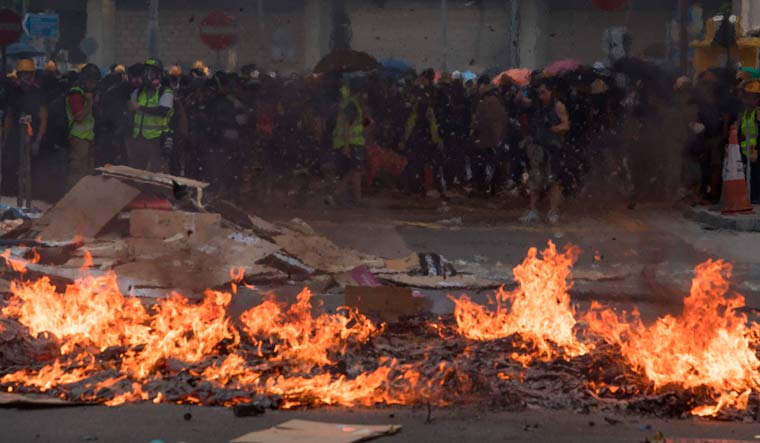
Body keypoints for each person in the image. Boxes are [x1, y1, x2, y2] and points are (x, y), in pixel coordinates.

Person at [521, 78, 570, 224]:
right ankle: (533, 211)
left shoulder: (558, 106)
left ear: (551, 91)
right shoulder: (537, 106)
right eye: (539, 93)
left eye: (544, 92)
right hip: (537, 149)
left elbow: (566, 125)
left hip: (553, 149)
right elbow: (524, 103)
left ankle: (553, 212)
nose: (541, 96)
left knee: (553, 180)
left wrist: (555, 128)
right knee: (535, 179)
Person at [2, 59, 47, 207]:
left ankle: (32, 198)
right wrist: (5, 140)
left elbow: (43, 118)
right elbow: (9, 116)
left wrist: (38, 140)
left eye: (27, 74)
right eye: (22, 74)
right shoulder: (14, 92)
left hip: (32, 134)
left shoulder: (38, 92)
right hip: (16, 135)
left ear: (32, 74)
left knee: (32, 168)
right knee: (10, 165)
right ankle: (11, 197)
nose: (25, 77)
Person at [127, 58, 173, 172]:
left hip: (156, 140)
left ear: (159, 75)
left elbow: (162, 111)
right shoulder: (138, 92)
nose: (148, 76)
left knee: (156, 173)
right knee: (136, 172)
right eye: (146, 72)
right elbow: (130, 109)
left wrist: (140, 108)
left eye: (151, 73)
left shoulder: (165, 92)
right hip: (138, 138)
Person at [64, 63, 100, 189]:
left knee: (88, 171)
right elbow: (79, 117)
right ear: (85, 80)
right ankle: (72, 197)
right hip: (78, 138)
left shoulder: (85, 92)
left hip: (88, 137)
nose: (93, 85)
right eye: (91, 82)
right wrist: (89, 102)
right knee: (77, 170)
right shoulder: (76, 93)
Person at [331, 80, 367, 203]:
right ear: (359, 92)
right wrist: (346, 146)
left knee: (352, 171)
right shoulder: (353, 104)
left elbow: (358, 124)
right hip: (351, 143)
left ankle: (337, 196)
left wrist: (367, 123)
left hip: (347, 142)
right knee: (355, 171)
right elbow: (347, 125)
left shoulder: (350, 103)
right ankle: (355, 199)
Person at [738, 80, 760, 203]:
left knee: (756, 175)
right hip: (745, 149)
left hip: (755, 149)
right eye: (748, 97)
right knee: (747, 174)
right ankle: (749, 195)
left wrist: (757, 150)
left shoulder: (758, 112)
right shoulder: (746, 113)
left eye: (753, 97)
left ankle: (756, 197)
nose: (749, 100)